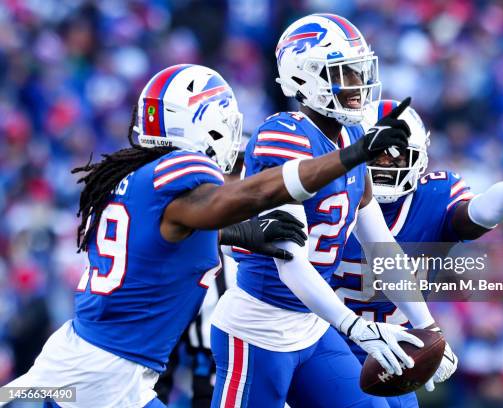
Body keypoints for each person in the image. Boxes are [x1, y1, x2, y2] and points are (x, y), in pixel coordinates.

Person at [1, 64, 411, 408]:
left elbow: (163, 240)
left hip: (84, 361)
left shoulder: (136, 178)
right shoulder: (180, 176)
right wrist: (350, 156)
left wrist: (241, 233)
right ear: (205, 125)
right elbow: (252, 193)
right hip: (104, 376)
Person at [210, 14, 452, 408]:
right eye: (345, 74)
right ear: (306, 77)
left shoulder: (354, 136)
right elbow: (289, 260)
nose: (358, 85)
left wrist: (428, 326)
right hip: (259, 329)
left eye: (359, 72)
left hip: (314, 327)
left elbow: (381, 246)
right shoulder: (283, 136)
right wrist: (357, 328)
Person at [330, 99, 503, 407]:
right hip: (331, 343)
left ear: (418, 157)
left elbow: (480, 213)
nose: (385, 163)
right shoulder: (332, 196)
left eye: (396, 153)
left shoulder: (434, 196)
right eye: (375, 151)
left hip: (400, 352)